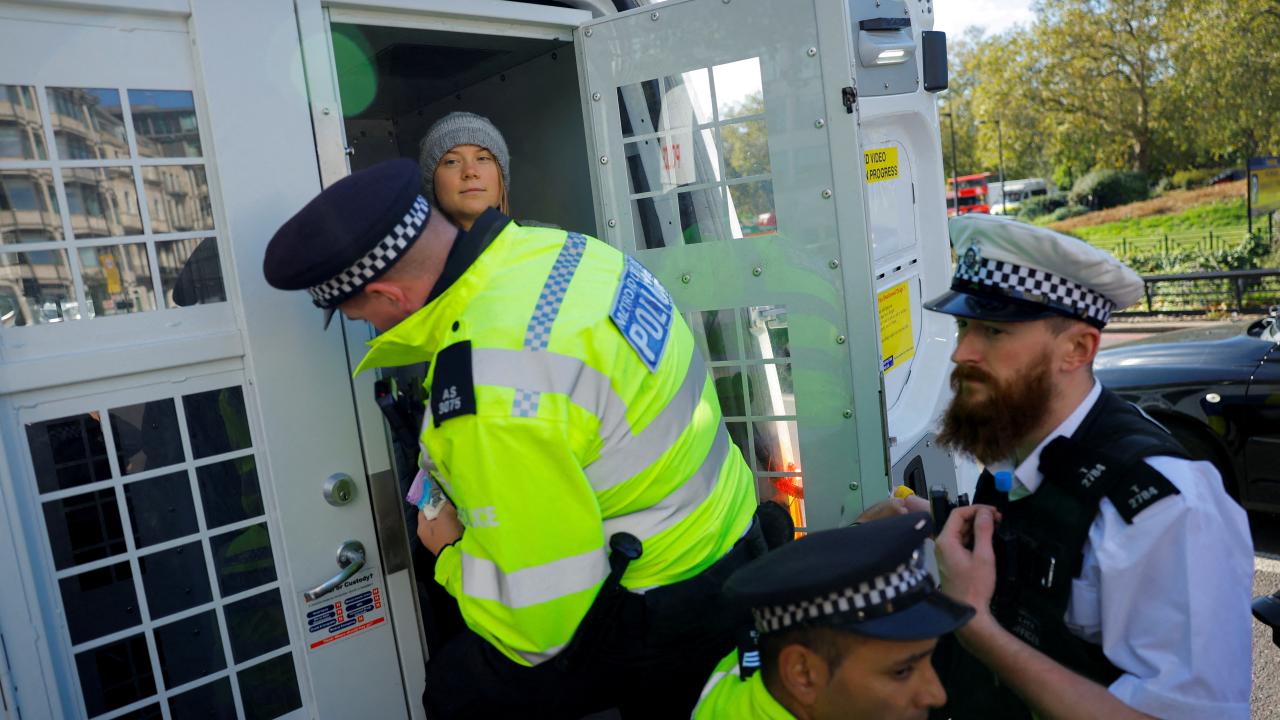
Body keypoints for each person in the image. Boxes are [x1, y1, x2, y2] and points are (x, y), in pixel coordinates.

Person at [262, 159, 769, 718]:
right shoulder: (565, 250)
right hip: (731, 537)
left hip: (659, 603)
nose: (369, 329)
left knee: (456, 693)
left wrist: (450, 551)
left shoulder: (490, 391)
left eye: (358, 315)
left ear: (388, 296)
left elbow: (538, 625)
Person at [922, 213, 1254, 720]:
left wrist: (976, 628)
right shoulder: (1023, 440)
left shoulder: (1166, 509)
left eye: (993, 330)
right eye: (964, 325)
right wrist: (933, 526)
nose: (963, 352)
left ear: (1077, 349)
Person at [693, 512, 975, 720]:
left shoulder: (771, 644)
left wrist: (859, 530)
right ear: (802, 674)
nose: (937, 695)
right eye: (902, 671)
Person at [418, 111, 510, 231]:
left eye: (482, 158)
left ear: (501, 176)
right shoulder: (419, 250)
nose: (470, 172)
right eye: (452, 162)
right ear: (432, 182)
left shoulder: (541, 240)